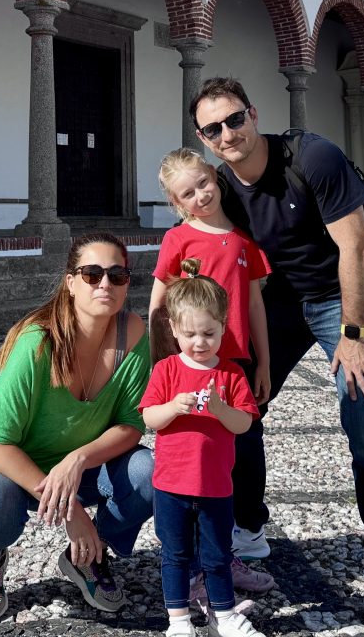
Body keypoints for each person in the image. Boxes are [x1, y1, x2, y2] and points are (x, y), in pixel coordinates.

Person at [190, 76, 364, 628]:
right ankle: (249, 528)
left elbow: (356, 245)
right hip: (280, 304)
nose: (227, 134)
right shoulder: (220, 187)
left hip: (344, 297)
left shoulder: (312, 157)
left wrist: (353, 335)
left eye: (235, 119)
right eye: (213, 129)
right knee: (238, 408)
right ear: (204, 139)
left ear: (253, 114)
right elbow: (201, 251)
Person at [0, 233, 154, 622]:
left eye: (117, 275)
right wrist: (72, 511)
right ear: (70, 282)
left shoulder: (133, 332)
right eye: (92, 274)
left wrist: (78, 459)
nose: (105, 283)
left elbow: (130, 425)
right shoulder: (38, 341)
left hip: (70, 461)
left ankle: (88, 555)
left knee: (150, 473)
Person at [149, 147, 275, 596]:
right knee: (193, 456)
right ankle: (192, 562)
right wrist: (162, 361)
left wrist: (264, 361)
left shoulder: (243, 241)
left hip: (234, 364)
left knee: (241, 454)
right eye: (188, 193)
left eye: (203, 183)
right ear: (176, 202)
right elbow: (159, 303)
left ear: (214, 177)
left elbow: (255, 304)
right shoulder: (178, 240)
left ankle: (231, 546)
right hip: (190, 364)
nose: (200, 195)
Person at [141, 261, 265, 637]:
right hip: (171, 486)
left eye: (209, 333)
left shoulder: (231, 374)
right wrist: (173, 407)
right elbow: (149, 417)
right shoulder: (166, 370)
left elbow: (244, 423)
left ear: (224, 326)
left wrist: (220, 409)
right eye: (191, 333)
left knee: (218, 555)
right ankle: (178, 620)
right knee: (175, 555)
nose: (200, 342)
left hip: (216, 486)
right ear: (174, 329)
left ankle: (223, 616)